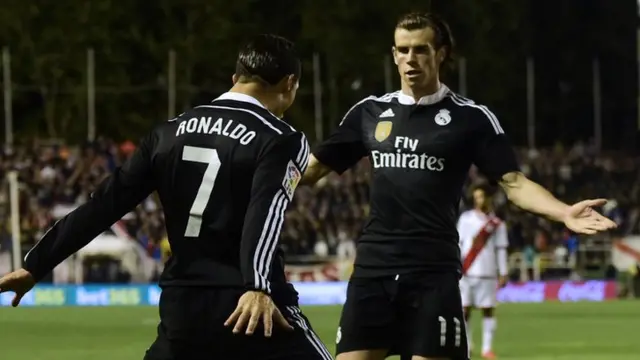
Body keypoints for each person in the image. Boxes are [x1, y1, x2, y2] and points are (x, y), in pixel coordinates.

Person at [300, 12, 617, 360]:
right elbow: (311, 170)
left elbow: (513, 182)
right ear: (393, 55)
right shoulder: (370, 112)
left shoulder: (471, 118)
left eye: (420, 50)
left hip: (433, 273)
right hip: (373, 269)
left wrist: (563, 212)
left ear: (441, 54)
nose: (410, 59)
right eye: (402, 50)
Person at [0, 34, 332, 360]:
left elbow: (103, 206)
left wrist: (35, 265)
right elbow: (266, 212)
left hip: (183, 307)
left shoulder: (167, 133)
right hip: (251, 304)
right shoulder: (280, 137)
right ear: (290, 84)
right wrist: (258, 285)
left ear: (235, 78)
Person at [457, 183, 508, 359]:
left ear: (488, 198)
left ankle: (487, 349)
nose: (480, 200)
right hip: (466, 271)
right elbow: (459, 244)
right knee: (464, 310)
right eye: (477, 196)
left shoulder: (497, 224)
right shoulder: (465, 219)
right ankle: (468, 345)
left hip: (488, 271)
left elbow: (501, 248)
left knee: (488, 309)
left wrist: (503, 271)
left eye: (482, 196)